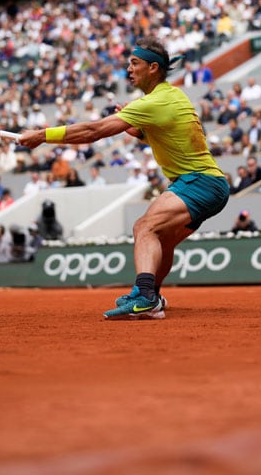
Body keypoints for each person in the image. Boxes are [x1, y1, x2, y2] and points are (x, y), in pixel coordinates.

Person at [18, 37, 228, 320]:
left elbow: (94, 131)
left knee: (145, 228)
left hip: (199, 182)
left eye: (134, 63)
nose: (128, 69)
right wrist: (140, 132)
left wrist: (43, 135)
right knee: (162, 240)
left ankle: (144, 297)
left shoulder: (153, 102)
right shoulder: (171, 95)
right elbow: (169, 134)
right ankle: (152, 293)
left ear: (153, 68)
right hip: (208, 183)